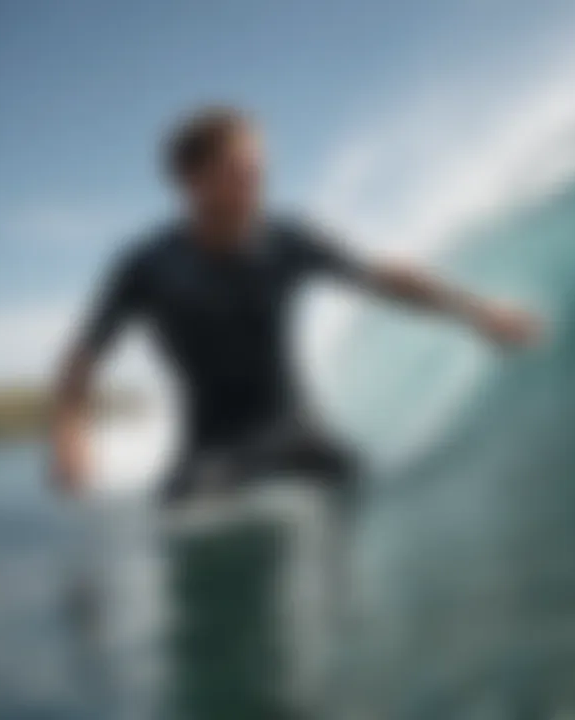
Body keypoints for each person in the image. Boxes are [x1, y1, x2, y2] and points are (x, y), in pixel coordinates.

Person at [51, 107, 539, 505]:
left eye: (258, 169)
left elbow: (385, 280)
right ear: (190, 180)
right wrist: (70, 436)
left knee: (363, 489)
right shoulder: (146, 266)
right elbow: (83, 357)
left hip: (299, 436)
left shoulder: (288, 239)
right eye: (239, 172)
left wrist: (477, 312)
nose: (257, 181)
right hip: (209, 455)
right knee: (187, 525)